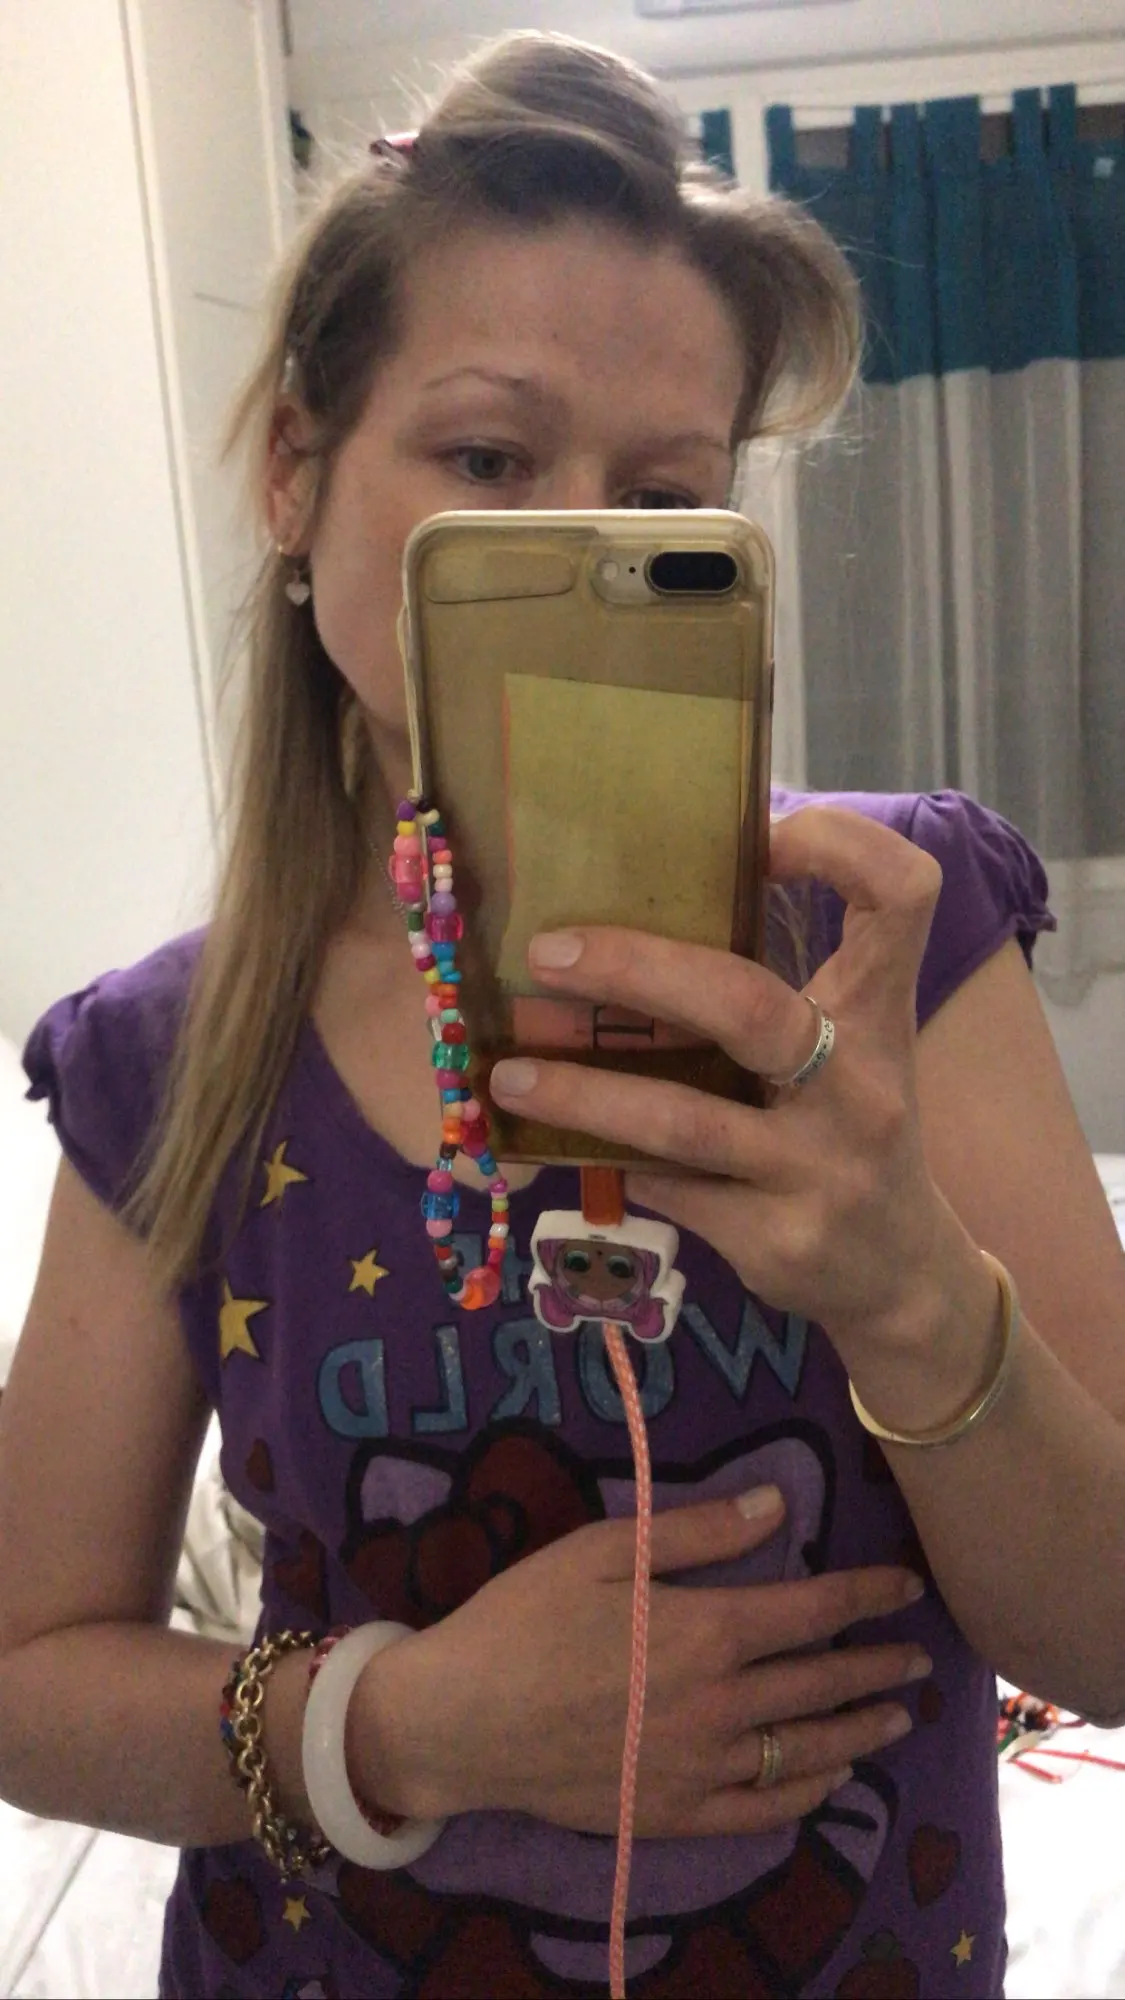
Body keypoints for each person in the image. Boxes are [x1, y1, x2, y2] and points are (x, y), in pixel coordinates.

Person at [1, 30, 1123, 2000]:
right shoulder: (165, 1064)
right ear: (294, 473)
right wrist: (399, 1726)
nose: (575, 546)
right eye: (489, 460)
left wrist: (910, 1290)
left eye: (660, 491)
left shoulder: (897, 939)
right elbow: (22, 1676)